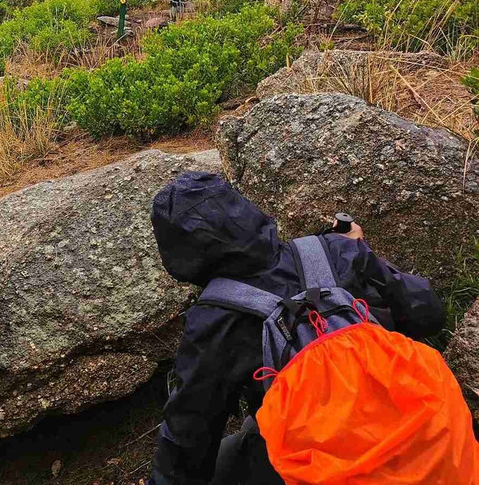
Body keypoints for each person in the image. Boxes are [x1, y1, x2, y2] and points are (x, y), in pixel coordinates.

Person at [147, 172, 445, 485]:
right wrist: (359, 255)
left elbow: (186, 440)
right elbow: (428, 314)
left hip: (327, 465)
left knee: (230, 454)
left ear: (177, 253)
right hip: (417, 428)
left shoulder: (211, 321)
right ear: (245, 211)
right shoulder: (336, 249)